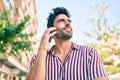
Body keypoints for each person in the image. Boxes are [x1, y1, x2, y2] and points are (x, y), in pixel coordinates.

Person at [26, 7, 108, 80]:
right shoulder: (38, 59)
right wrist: (42, 49)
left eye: (69, 21)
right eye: (61, 21)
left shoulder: (89, 53)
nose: (68, 23)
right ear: (51, 30)